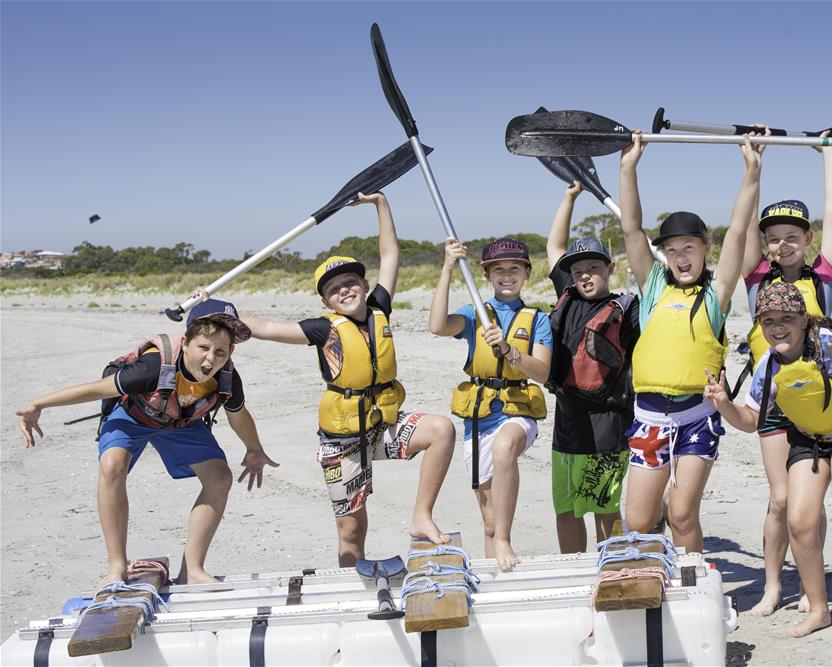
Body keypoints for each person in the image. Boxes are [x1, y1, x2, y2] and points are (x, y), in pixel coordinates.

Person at [237, 192, 455, 567]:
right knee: (351, 533)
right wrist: (213, 308)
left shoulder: (379, 309)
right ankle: (353, 587)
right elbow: (265, 326)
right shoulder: (323, 329)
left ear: (365, 285)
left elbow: (390, 255)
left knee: (442, 430)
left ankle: (421, 516)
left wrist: (381, 204)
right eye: (335, 289)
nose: (345, 291)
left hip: (382, 425)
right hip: (342, 440)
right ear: (327, 301)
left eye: (351, 282)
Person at [16, 299, 277, 587]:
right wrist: (38, 404)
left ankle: (192, 569)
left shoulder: (227, 377)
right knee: (112, 466)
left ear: (230, 352)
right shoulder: (153, 366)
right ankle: (116, 566)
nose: (210, 359)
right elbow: (95, 389)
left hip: (180, 423)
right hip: (133, 415)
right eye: (203, 347)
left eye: (220, 352)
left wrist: (254, 450)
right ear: (187, 342)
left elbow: (238, 415)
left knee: (220, 477)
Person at [704, 280, 832, 646]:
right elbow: (751, 421)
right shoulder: (770, 364)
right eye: (769, 319)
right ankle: (819, 610)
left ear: (804, 320)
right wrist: (723, 404)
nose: (778, 326)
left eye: (788, 318)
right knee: (799, 518)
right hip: (809, 439)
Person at [617, 131, 761, 551]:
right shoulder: (653, 289)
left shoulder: (716, 293)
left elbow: (737, 231)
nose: (681, 257)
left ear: (703, 249)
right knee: (640, 520)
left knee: (681, 514)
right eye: (673, 250)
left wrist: (751, 171)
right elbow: (630, 229)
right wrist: (628, 167)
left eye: (689, 247)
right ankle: (651, 586)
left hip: (698, 416)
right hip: (649, 417)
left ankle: (694, 585)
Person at [740, 129, 832, 616]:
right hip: (772, 399)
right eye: (774, 238)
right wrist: (753, 166)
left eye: (792, 237)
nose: (783, 245)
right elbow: (741, 229)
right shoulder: (755, 276)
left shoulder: (822, 278)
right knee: (780, 499)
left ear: (807, 240)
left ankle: (810, 583)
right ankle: (772, 587)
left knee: (810, 502)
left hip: (820, 400)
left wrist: (828, 155)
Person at [429, 237, 552, 570]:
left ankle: (504, 541)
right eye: (499, 270)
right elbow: (437, 326)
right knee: (488, 519)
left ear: (527, 273)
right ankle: (496, 566)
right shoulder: (475, 315)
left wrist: (509, 350)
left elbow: (541, 372)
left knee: (504, 448)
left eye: (515, 268)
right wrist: (447, 268)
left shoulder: (538, 319)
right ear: (487, 276)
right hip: (479, 416)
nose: (507, 275)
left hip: (517, 412)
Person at [544, 182, 639, 552]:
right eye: (578, 270)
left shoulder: (627, 309)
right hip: (567, 421)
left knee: (605, 506)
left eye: (593, 268)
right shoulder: (566, 298)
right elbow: (554, 247)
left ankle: (612, 569)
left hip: (609, 422)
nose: (584, 276)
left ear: (609, 268)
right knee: (566, 509)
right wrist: (568, 198)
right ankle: (574, 571)